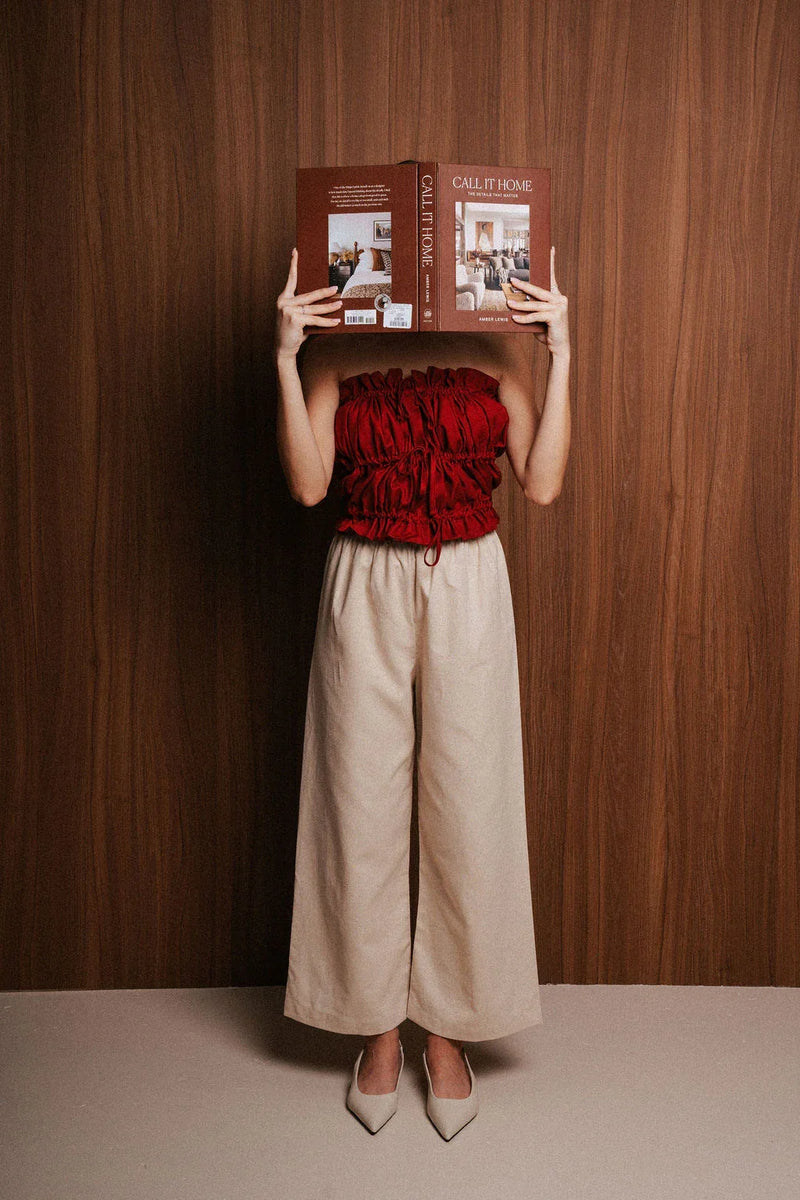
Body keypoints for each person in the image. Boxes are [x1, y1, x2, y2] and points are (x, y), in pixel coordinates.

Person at [274, 247, 570, 1138]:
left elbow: (542, 484)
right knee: (356, 800)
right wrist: (285, 356)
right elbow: (309, 484)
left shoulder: (497, 343)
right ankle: (374, 1026)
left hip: (468, 578)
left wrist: (563, 351)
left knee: (469, 800)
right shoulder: (338, 345)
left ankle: (448, 1029)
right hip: (364, 573)